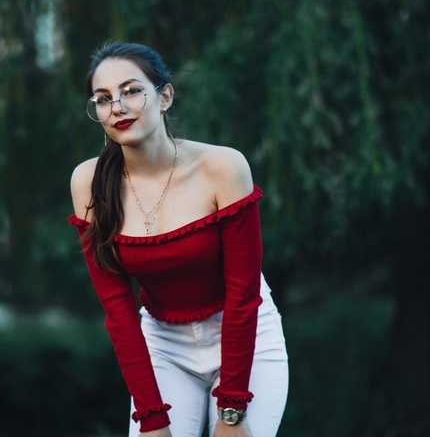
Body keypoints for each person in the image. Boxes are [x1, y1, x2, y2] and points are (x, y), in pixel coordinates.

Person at [68, 41, 288, 437]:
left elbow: (243, 293)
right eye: (103, 99)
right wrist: (151, 418)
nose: (117, 107)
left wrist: (233, 409)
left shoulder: (222, 167)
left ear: (165, 96)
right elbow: (117, 310)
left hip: (242, 335)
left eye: (131, 91)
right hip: (164, 343)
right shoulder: (89, 183)